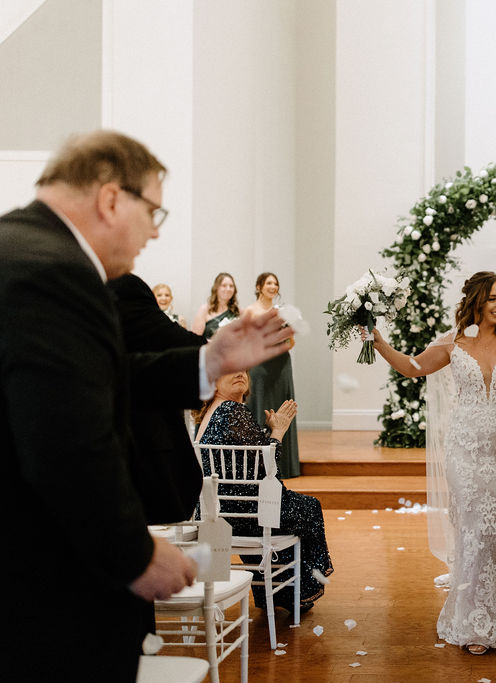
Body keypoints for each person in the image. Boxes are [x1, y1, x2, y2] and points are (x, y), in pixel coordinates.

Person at [0, 130, 294, 681]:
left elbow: (90, 380)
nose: (153, 236)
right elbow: (63, 441)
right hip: (44, 578)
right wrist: (134, 554)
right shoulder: (54, 271)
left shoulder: (21, 247)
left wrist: (208, 363)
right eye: (154, 213)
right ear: (112, 199)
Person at [366, 271, 496, 655]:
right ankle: (474, 618)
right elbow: (412, 367)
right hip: (465, 448)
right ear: (476, 301)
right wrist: (378, 341)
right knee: (473, 529)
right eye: (492, 298)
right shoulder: (454, 344)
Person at [195, 371, 331, 611]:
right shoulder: (232, 410)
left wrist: (268, 435)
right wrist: (278, 432)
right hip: (248, 514)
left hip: (218, 515)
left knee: (291, 503)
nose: (240, 373)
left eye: (244, 370)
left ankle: (277, 592)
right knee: (309, 506)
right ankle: (293, 593)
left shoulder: (210, 414)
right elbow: (267, 470)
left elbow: (247, 463)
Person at [109, 272, 207, 524]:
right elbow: (176, 341)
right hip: (141, 448)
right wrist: (219, 353)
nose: (152, 234)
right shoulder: (122, 287)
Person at [244, 272, 301, 477]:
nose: (273, 286)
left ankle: (284, 466)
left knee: (282, 408)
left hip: (281, 364)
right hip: (260, 365)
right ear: (259, 286)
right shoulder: (250, 311)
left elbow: (290, 343)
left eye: (275, 283)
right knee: (259, 407)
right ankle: (258, 466)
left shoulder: (283, 311)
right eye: (268, 283)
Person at [192, 271, 240, 338]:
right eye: (224, 285)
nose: (228, 289)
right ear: (216, 288)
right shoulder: (204, 310)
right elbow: (195, 340)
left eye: (231, 286)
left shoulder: (238, 311)